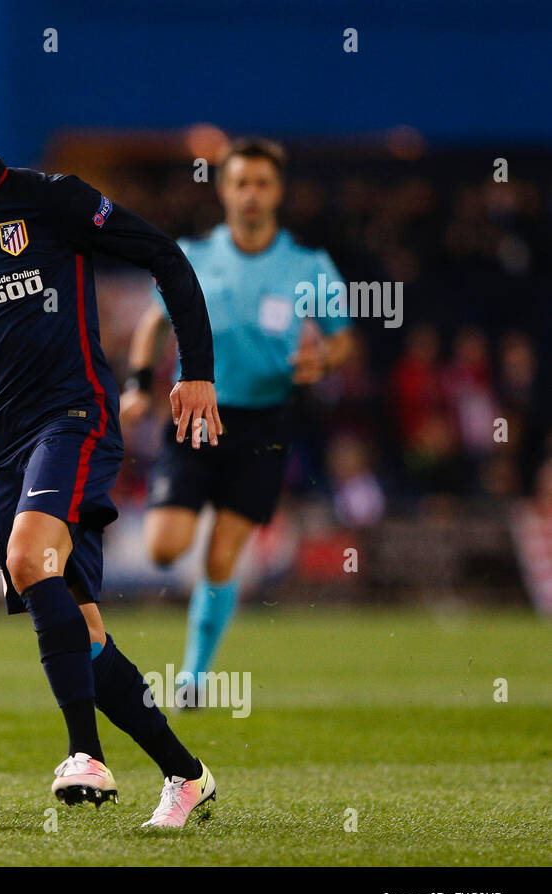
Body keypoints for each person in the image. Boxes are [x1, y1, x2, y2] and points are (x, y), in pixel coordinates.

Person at [0, 77, 220, 827]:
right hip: (1, 447)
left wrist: (197, 372)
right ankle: (185, 775)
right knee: (82, 630)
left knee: (28, 561)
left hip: (74, 418)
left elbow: (167, 259)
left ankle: (83, 754)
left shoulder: (53, 201)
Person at [120, 138, 353, 704]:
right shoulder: (192, 256)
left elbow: (344, 342)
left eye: (262, 183)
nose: (251, 194)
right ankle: (187, 510)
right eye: (241, 182)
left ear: (278, 192)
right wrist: (137, 384)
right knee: (163, 550)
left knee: (223, 555)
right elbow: (153, 324)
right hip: (196, 416)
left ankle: (194, 678)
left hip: (263, 427)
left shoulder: (307, 266)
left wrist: (321, 358)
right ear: (224, 190)